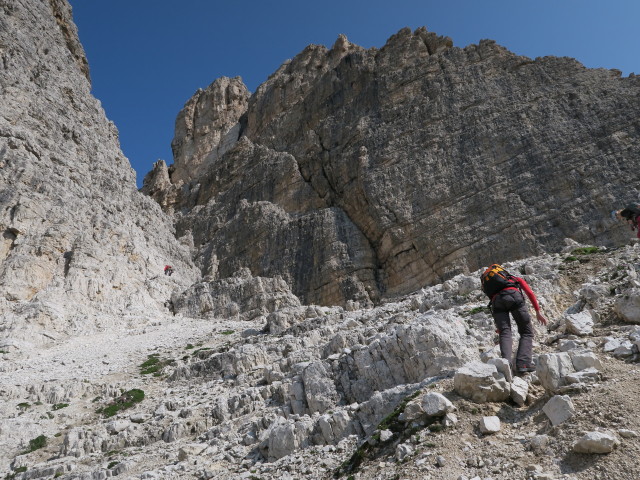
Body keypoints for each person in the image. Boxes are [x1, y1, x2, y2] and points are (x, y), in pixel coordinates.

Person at [480, 264, 548, 374]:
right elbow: (529, 293)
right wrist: (537, 311)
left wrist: (499, 326)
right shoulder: (512, 278)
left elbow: (493, 302)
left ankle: (506, 364)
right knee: (526, 332)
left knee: (505, 333)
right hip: (513, 296)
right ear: (503, 272)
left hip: (497, 302)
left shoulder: (491, 287)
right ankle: (523, 363)